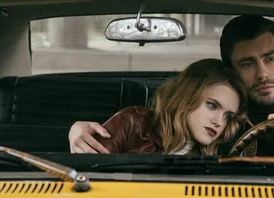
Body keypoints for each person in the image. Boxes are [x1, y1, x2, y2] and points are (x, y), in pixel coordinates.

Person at [69, 15, 274, 158]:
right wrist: (73, 132)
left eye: (270, 58)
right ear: (231, 71)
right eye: (247, 63)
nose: (262, 73)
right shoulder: (218, 132)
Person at [88, 58, 248, 155]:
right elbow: (86, 172)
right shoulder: (133, 122)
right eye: (212, 105)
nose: (219, 122)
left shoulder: (210, 159)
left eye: (228, 116)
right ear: (187, 96)